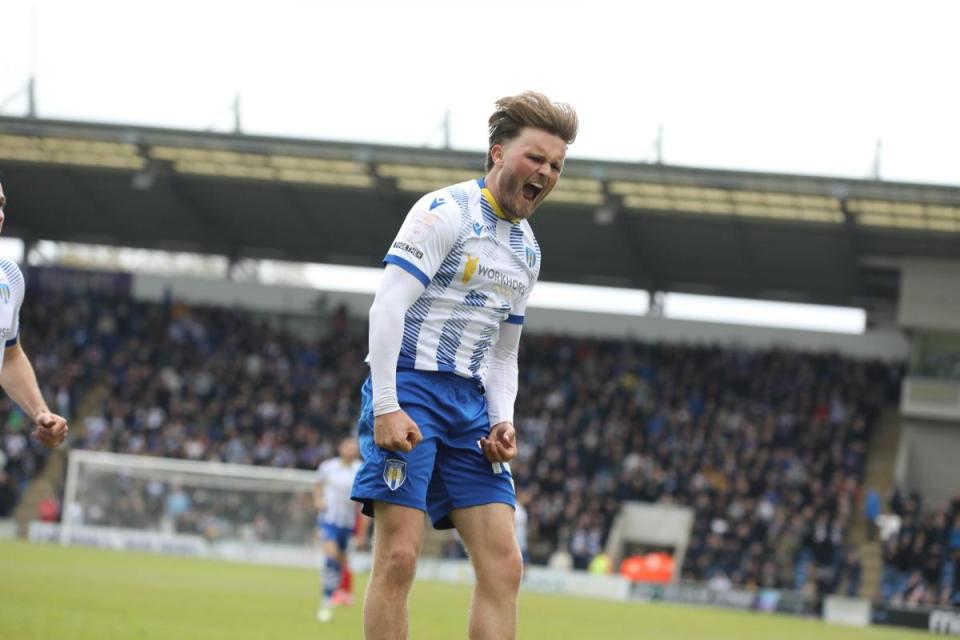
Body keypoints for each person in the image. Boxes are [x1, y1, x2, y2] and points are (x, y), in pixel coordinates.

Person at [351, 91, 578, 640]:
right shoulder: (444, 212)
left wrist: (503, 420)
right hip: (411, 388)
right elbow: (388, 306)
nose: (545, 172)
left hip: (470, 405)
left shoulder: (529, 251)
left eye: (555, 165)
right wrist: (386, 405)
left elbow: (503, 352)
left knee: (505, 566)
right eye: (535, 158)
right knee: (400, 559)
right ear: (498, 153)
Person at [0, 181, 68, 448]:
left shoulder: (9, 277)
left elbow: (8, 356)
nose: (0, 214)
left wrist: (40, 412)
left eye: (1, 204)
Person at [314, 436, 366, 622]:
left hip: (349, 523)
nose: (351, 451)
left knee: (343, 559)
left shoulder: (360, 469)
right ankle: (327, 597)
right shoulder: (328, 467)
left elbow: (362, 503)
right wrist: (318, 500)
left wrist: (361, 533)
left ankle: (342, 591)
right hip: (329, 519)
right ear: (340, 448)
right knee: (331, 554)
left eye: (354, 448)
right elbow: (318, 484)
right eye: (348, 447)